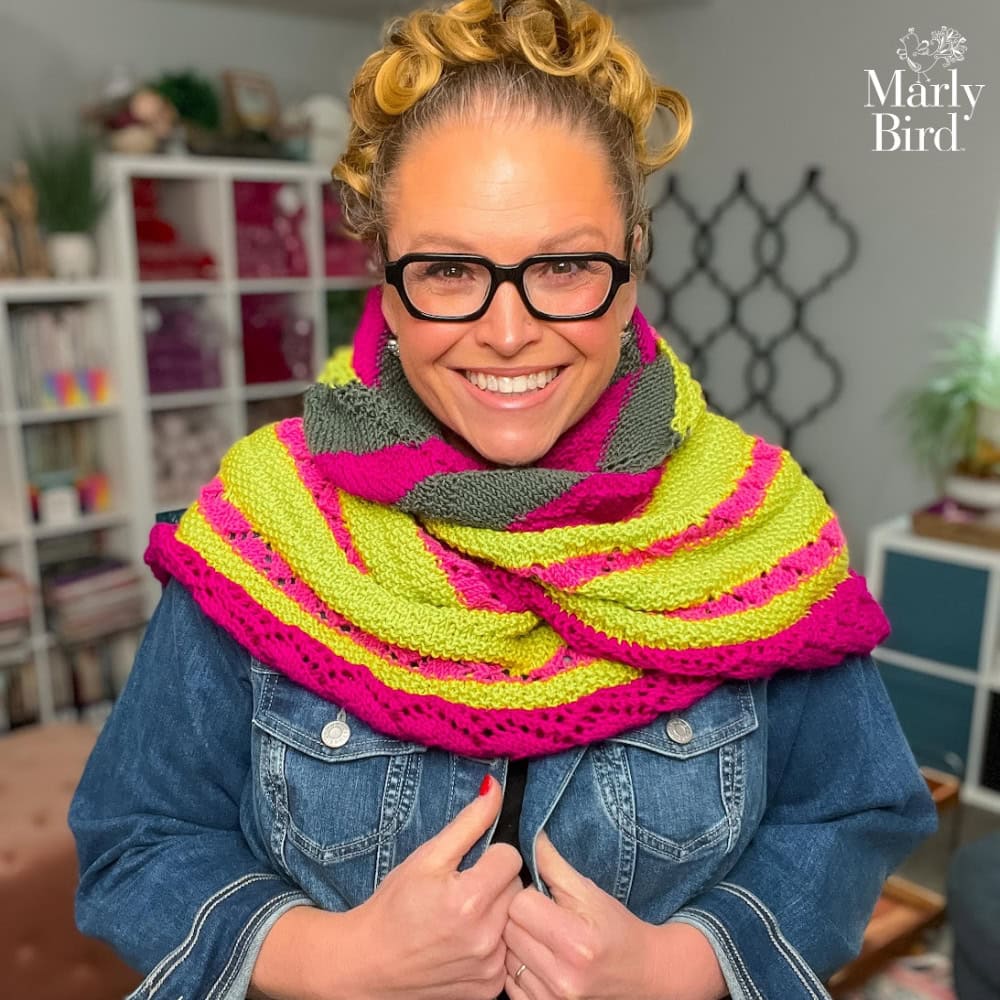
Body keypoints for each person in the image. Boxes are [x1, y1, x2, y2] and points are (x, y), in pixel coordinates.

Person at [69, 1, 937, 998]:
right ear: (386, 282)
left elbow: (851, 817)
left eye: (563, 265)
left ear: (630, 266)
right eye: (448, 269)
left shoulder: (756, 528)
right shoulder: (266, 527)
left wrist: (682, 965)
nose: (509, 331)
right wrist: (325, 959)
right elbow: (136, 839)